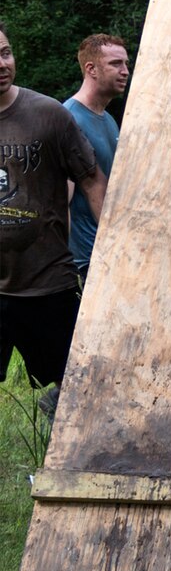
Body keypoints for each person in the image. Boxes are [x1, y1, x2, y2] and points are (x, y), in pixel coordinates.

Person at [0, 21, 107, 415]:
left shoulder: (49, 115)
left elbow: (92, 180)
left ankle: (69, 458)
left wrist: (112, 248)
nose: (1, 62)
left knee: (75, 387)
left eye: (5, 52)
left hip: (45, 282)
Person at [65, 33, 127, 285]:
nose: (125, 71)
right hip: (89, 261)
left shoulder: (109, 119)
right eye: (116, 64)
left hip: (114, 252)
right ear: (91, 69)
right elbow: (59, 201)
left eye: (126, 64)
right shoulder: (68, 119)